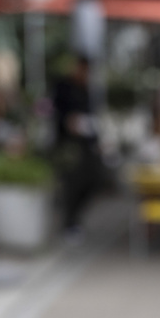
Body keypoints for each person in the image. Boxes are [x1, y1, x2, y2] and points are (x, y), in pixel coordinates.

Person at [51, 55, 101, 242]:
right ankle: (70, 223)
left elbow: (90, 118)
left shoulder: (86, 89)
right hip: (68, 146)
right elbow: (56, 113)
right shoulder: (63, 86)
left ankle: (74, 220)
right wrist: (67, 122)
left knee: (94, 180)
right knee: (71, 185)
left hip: (86, 145)